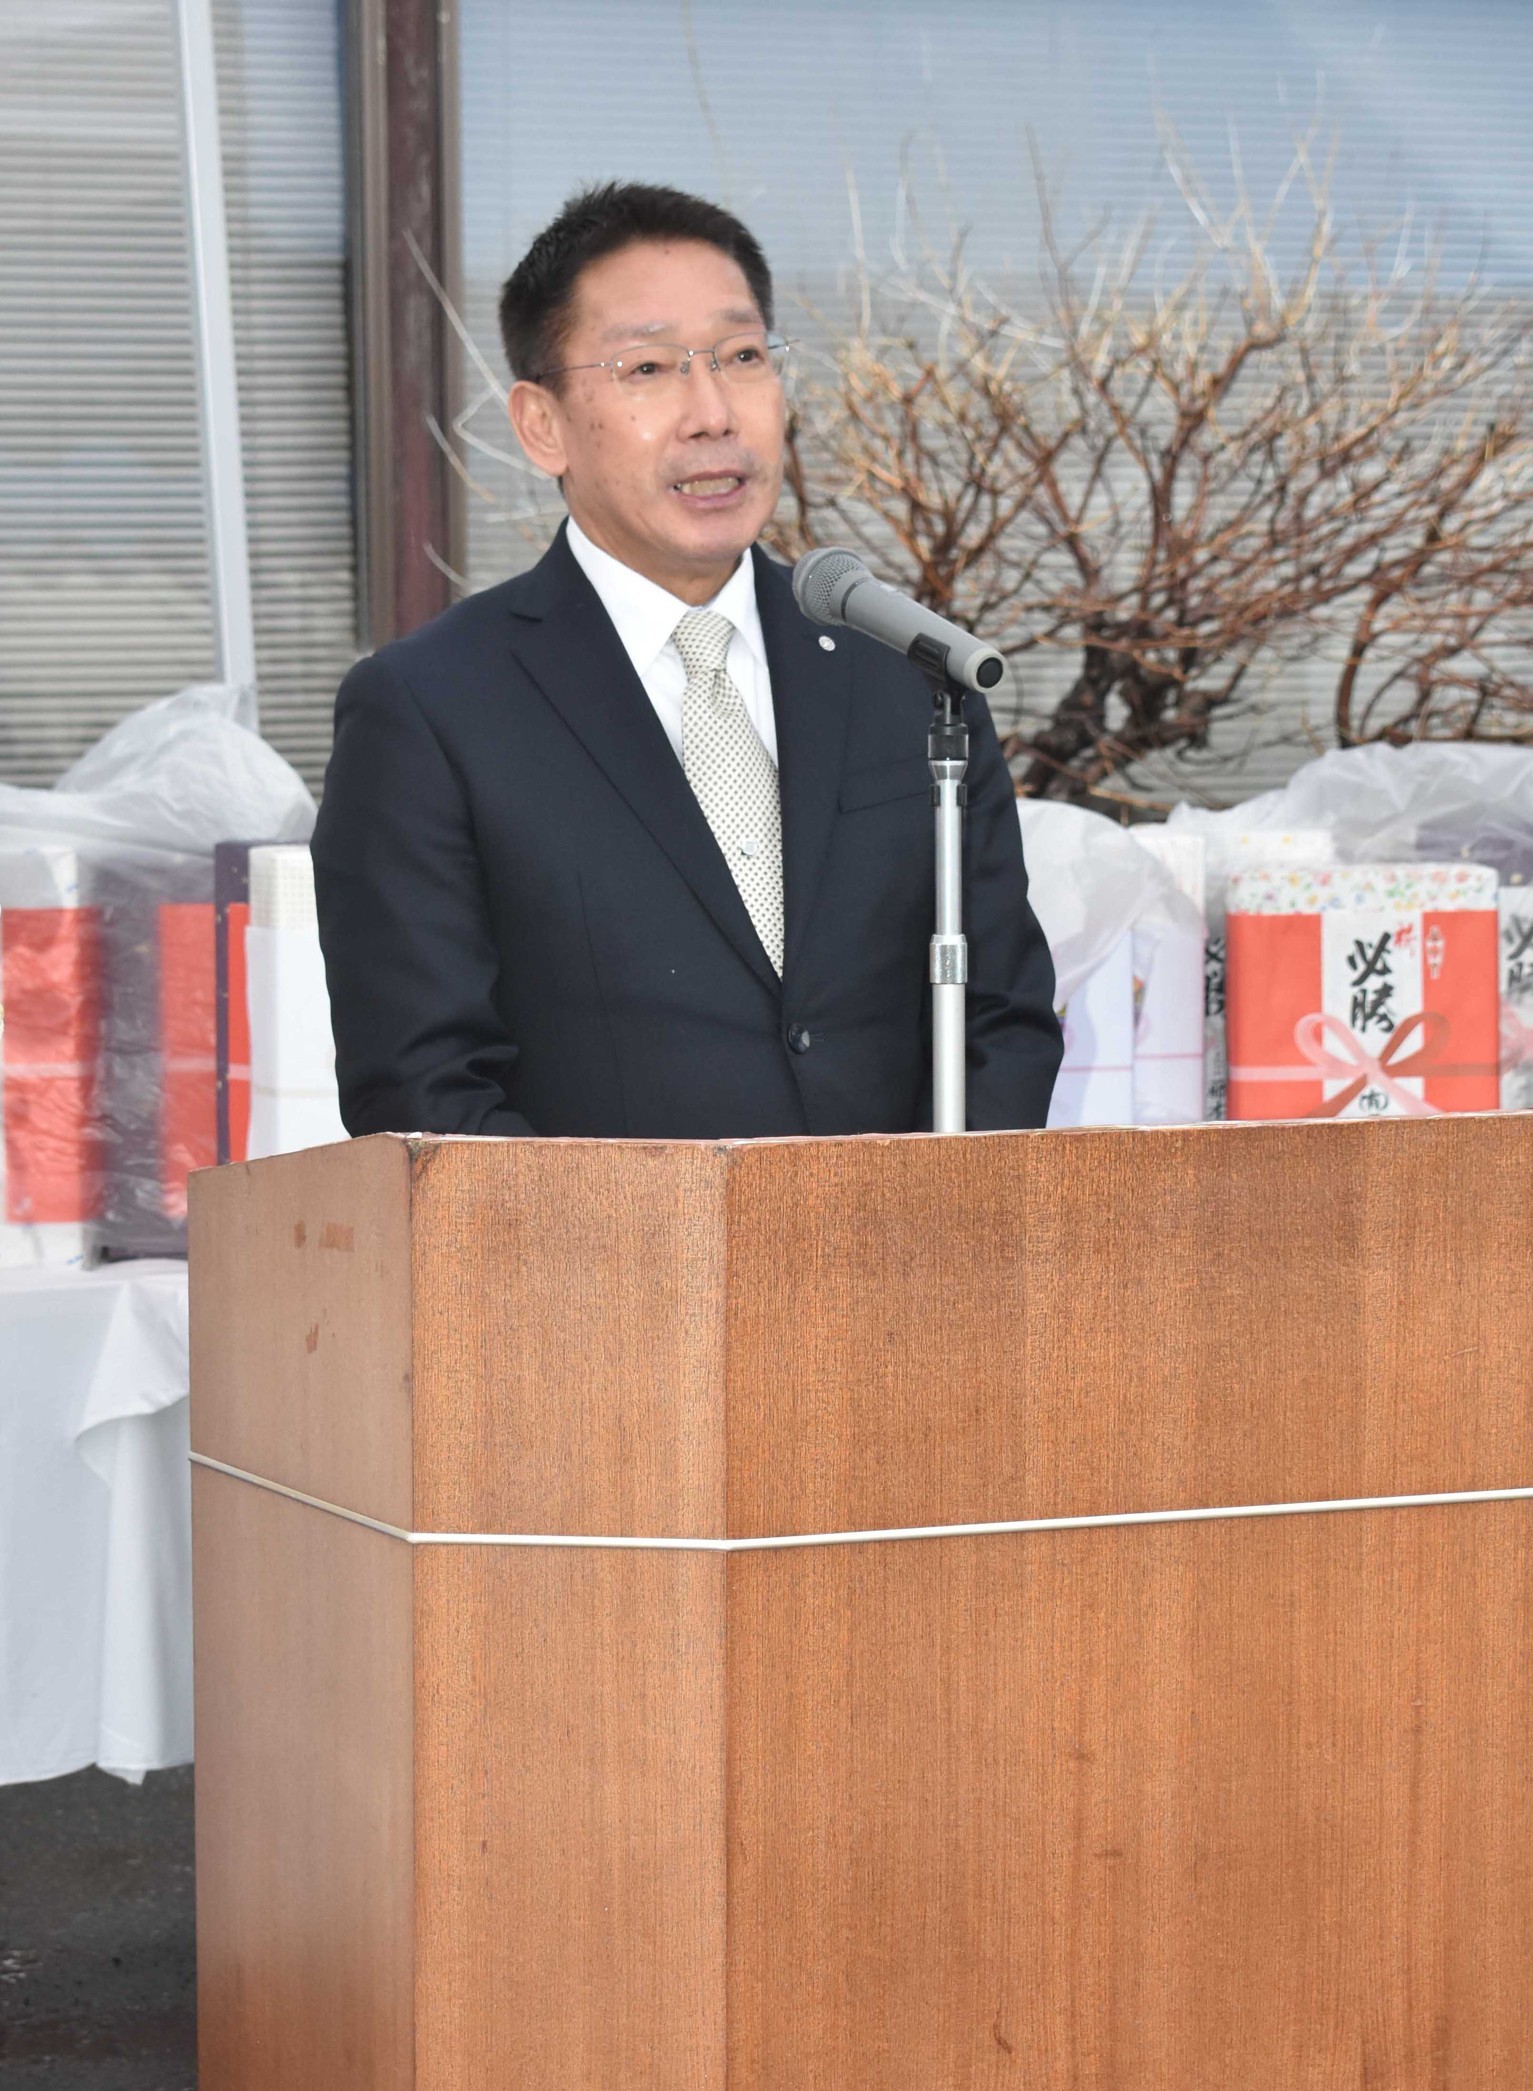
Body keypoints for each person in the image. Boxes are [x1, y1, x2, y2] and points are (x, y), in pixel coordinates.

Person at [312, 181, 1061, 1138]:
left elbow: (1003, 1019)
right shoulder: (431, 709)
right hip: (600, 1241)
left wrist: (919, 1218)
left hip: (902, 1233)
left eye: (743, 357)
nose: (713, 413)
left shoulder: (904, 673)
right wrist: (668, 1236)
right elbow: (426, 1094)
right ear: (541, 425)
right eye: (648, 368)